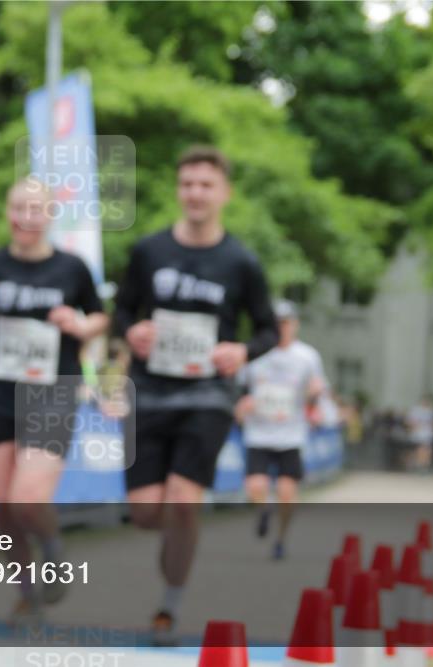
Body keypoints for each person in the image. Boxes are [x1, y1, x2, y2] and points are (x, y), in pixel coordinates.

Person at [113, 146, 278, 644]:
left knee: (184, 502)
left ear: (225, 193)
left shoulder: (241, 261)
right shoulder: (149, 251)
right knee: (146, 513)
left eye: (206, 185)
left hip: (208, 394)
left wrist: (241, 350)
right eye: (187, 184)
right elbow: (121, 311)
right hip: (149, 390)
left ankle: (169, 605)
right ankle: (174, 535)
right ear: (178, 190)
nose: (196, 193)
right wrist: (132, 331)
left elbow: (268, 330)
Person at [0, 178, 109, 624]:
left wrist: (80, 326)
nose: (26, 217)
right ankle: (28, 594)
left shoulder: (72, 269)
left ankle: (51, 546)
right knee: (3, 508)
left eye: (35, 209)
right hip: (2, 393)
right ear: (7, 213)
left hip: (53, 392)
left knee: (26, 498)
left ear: (49, 215)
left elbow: (101, 318)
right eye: (18, 208)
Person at [234, 300, 325, 560]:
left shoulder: (308, 356)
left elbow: (316, 394)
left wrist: (315, 399)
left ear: (295, 325)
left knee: (287, 494)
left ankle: (280, 539)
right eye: (276, 323)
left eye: (285, 323)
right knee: (255, 487)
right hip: (259, 433)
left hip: (291, 435)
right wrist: (241, 405)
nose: (281, 328)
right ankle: (264, 511)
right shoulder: (255, 353)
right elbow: (240, 391)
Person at [406, 396, 433, 472]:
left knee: (427, 449)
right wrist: (414, 427)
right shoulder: (416, 410)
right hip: (418, 433)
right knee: (419, 449)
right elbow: (410, 422)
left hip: (428, 433)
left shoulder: (431, 411)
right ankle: (418, 464)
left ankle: (424, 465)